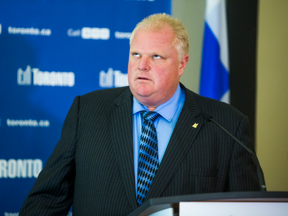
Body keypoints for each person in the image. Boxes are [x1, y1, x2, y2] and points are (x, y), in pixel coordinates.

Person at [20, 13, 261, 216]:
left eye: (156, 56)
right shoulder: (88, 111)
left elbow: (247, 211)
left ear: (181, 64)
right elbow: (47, 200)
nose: (142, 65)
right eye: (136, 54)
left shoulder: (226, 124)